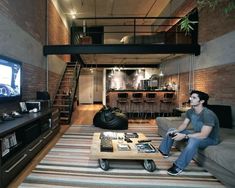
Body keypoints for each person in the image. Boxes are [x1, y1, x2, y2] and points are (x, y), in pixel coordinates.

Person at [158, 90, 220, 176]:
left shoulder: (208, 114)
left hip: (209, 139)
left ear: (202, 101)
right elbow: (184, 124)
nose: (191, 99)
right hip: (197, 134)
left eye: (194, 98)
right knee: (171, 130)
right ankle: (163, 151)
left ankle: (178, 166)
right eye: (191, 97)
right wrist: (177, 131)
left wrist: (184, 136)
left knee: (194, 140)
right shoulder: (190, 111)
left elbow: (203, 135)